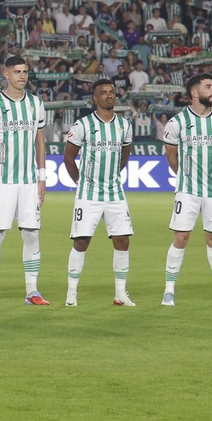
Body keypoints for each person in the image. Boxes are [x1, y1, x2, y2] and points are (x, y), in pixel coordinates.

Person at [0, 55, 49, 306]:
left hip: (29, 182)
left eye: (25, 71)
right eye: (17, 71)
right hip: (1, 182)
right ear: (6, 74)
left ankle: (32, 291)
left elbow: (40, 141)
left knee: (31, 235)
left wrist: (42, 177)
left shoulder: (36, 104)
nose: (22, 76)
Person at [162, 73, 212, 306]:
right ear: (194, 93)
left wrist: (211, 175)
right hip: (187, 190)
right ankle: (169, 291)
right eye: (208, 87)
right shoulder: (177, 123)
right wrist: (187, 177)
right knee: (181, 237)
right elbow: (171, 158)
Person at [62, 78, 134, 307]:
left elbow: (124, 156)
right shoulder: (82, 125)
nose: (109, 95)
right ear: (95, 99)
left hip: (114, 193)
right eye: (103, 93)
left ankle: (120, 294)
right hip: (88, 194)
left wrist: (112, 175)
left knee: (122, 240)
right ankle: (71, 293)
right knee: (82, 241)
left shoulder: (124, 126)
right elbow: (68, 158)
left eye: (112, 92)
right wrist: (81, 182)